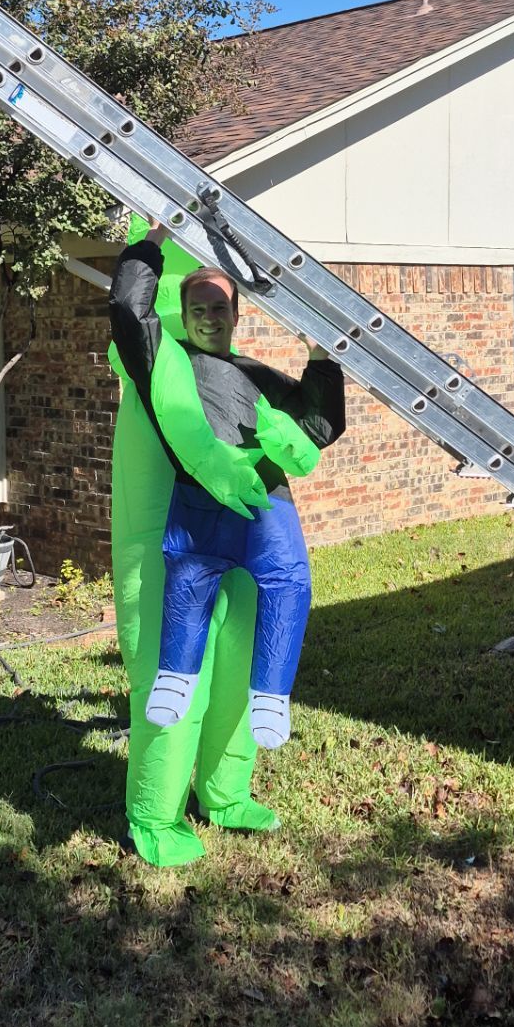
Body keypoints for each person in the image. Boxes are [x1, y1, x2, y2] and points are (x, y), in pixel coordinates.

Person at [109, 223, 344, 753]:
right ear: (183, 314)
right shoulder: (163, 360)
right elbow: (128, 310)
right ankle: (176, 676)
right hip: (197, 505)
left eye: (220, 308)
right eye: (198, 309)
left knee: (289, 582)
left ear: (236, 315)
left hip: (264, 504)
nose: (210, 318)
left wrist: (321, 356)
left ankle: (271, 694)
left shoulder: (258, 375)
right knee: (187, 580)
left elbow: (318, 425)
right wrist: (152, 241)